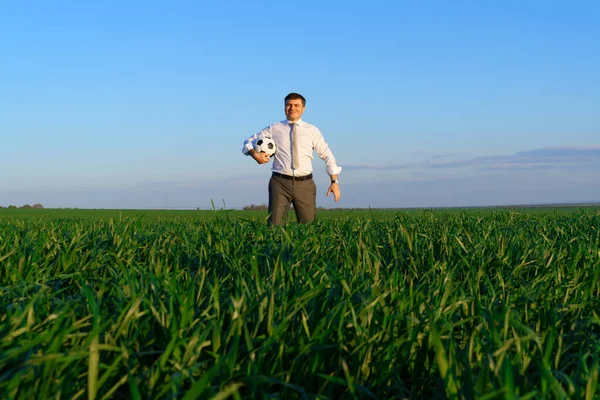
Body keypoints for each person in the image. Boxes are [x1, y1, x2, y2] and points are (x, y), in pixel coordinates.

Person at [242, 93, 342, 225]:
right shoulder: (274, 128)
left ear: (303, 108)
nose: (292, 108)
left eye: (296, 105)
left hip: (305, 184)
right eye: (289, 105)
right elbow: (248, 142)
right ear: (284, 107)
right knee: (274, 227)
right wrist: (255, 154)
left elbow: (326, 154)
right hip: (279, 183)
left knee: (308, 227)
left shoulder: (312, 130)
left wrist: (334, 181)